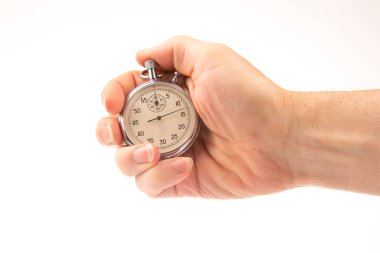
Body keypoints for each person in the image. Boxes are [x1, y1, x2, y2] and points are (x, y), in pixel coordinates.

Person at [96, 36, 380, 198]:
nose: (157, 118)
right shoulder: (162, 100)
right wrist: (285, 139)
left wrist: (284, 133)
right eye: (146, 117)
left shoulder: (186, 96)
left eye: (166, 112)